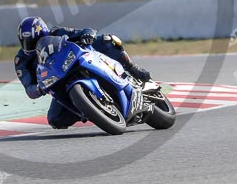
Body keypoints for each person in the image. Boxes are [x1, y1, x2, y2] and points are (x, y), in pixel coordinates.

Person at [14, 16, 153, 129]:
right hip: (58, 80)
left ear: (45, 33)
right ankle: (89, 109)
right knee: (55, 119)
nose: (32, 46)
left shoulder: (56, 32)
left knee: (106, 40)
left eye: (35, 41)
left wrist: (87, 36)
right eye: (27, 42)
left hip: (76, 60)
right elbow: (29, 88)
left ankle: (132, 67)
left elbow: (83, 31)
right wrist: (38, 89)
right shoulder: (21, 61)